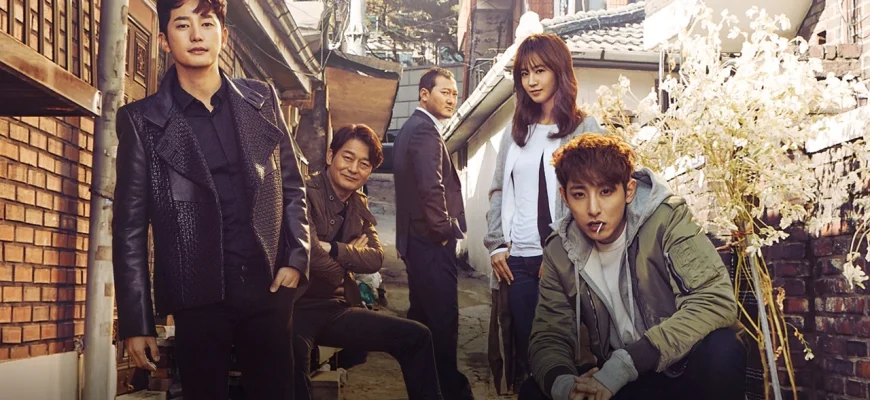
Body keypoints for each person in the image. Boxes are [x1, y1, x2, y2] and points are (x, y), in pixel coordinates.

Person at [112, 1, 310, 399]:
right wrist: (137, 322)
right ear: (165, 40)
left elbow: (292, 185)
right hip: (196, 296)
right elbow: (129, 228)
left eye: (206, 23)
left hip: (268, 287)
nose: (196, 35)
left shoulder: (261, 99)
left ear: (224, 33)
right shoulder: (141, 120)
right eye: (182, 25)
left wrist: (296, 258)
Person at [520, 133, 745, 400]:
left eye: (606, 192)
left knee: (723, 347)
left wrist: (627, 363)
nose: (593, 209)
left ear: (628, 191)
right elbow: (549, 334)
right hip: (624, 380)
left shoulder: (667, 221)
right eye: (579, 194)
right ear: (565, 198)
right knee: (534, 391)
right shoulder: (559, 251)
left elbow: (715, 300)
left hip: (679, 367)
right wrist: (566, 387)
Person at [484, 33, 605, 390]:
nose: (531, 81)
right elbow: (497, 189)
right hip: (517, 262)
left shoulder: (584, 129)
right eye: (524, 73)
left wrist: (562, 251)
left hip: (564, 262)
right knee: (528, 356)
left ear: (559, 71)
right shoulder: (514, 133)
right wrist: (495, 244)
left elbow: (598, 198)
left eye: (540, 70)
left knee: (569, 354)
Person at [293, 124, 443, 400]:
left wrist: (333, 248)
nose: (353, 169)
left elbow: (375, 258)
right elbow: (311, 256)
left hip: (335, 308)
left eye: (364, 164)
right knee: (293, 365)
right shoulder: (303, 194)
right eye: (347, 158)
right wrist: (348, 260)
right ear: (330, 156)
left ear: (370, 171)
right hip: (296, 307)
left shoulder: (358, 203)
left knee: (417, 336)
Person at [393, 67, 474, 400]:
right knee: (442, 324)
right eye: (444, 92)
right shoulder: (425, 130)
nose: (451, 99)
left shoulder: (409, 129)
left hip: (415, 242)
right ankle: (450, 393)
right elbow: (431, 187)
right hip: (429, 243)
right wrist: (444, 230)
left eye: (454, 93)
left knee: (423, 321)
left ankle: (426, 391)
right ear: (424, 94)